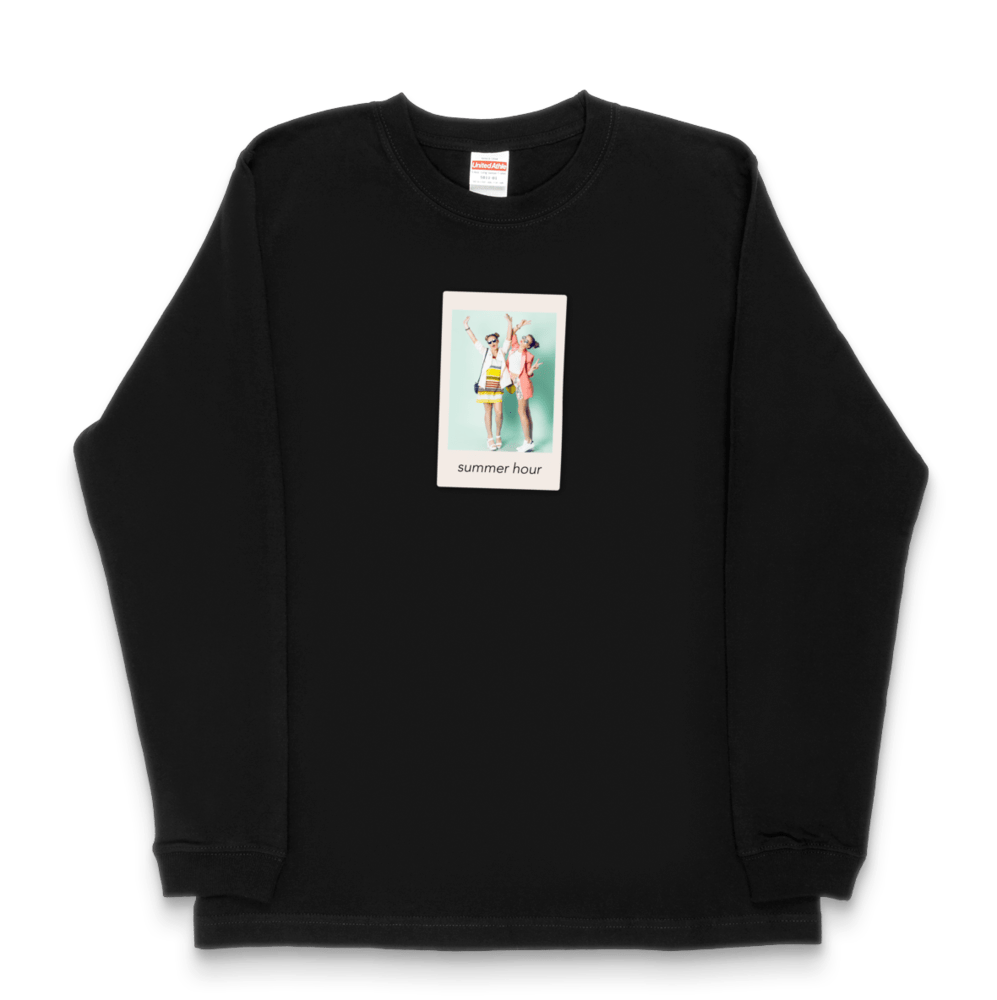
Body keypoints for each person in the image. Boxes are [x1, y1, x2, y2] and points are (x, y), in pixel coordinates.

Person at [463, 316, 513, 451]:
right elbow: (474, 340)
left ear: (497, 341)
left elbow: (508, 339)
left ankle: (498, 435)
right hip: (485, 387)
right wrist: (467, 326)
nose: (492, 343)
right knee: (488, 412)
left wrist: (510, 323)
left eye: (494, 341)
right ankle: (490, 437)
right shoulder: (485, 352)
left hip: (497, 388)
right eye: (489, 342)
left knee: (499, 413)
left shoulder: (502, 351)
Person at [504, 313, 543, 452]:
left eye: (526, 341)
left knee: (522, 411)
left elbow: (528, 373)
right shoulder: (514, 347)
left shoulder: (528, 356)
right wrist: (518, 325)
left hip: (522, 384)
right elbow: (511, 334)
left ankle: (527, 442)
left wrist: (532, 369)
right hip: (515, 382)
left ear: (529, 346)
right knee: (526, 411)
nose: (523, 340)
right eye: (524, 338)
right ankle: (529, 441)